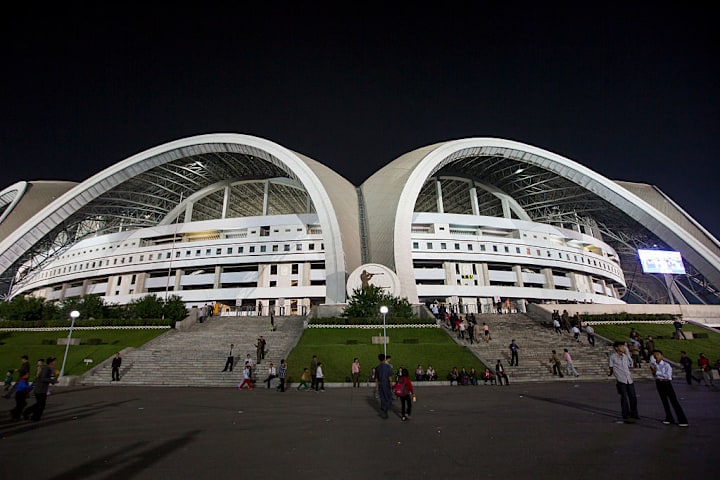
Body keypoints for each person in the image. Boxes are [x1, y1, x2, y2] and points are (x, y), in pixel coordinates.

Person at [650, 350, 688, 427]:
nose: (656, 356)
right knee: (664, 401)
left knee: (673, 401)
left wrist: (656, 372)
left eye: (657, 355)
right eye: (654, 355)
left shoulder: (666, 365)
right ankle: (669, 417)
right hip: (658, 383)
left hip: (666, 383)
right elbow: (655, 375)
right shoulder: (654, 364)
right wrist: (654, 373)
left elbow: (668, 376)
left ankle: (682, 420)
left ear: (661, 356)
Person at [608, 341, 639, 422]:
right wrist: (615, 374)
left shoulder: (625, 356)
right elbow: (611, 367)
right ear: (616, 348)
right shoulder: (612, 357)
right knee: (624, 397)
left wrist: (628, 353)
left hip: (629, 379)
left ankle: (634, 413)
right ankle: (625, 413)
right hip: (621, 379)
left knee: (633, 397)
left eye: (623, 346)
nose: (623, 348)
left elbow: (631, 364)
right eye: (621, 346)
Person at [22, 356, 58, 421]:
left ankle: (31, 415)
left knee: (40, 404)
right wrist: (53, 381)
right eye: (54, 361)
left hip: (42, 389)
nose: (55, 362)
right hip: (40, 389)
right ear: (51, 362)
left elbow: (49, 378)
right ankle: (31, 415)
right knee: (40, 404)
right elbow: (43, 378)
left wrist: (54, 380)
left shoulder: (50, 368)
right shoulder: (46, 368)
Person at [375, 354, 394, 419]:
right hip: (386, 383)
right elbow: (390, 377)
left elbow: (376, 378)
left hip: (380, 384)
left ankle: (384, 408)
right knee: (389, 397)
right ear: (384, 358)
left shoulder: (377, 367)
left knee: (382, 397)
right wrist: (391, 385)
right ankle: (386, 408)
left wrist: (377, 387)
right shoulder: (388, 367)